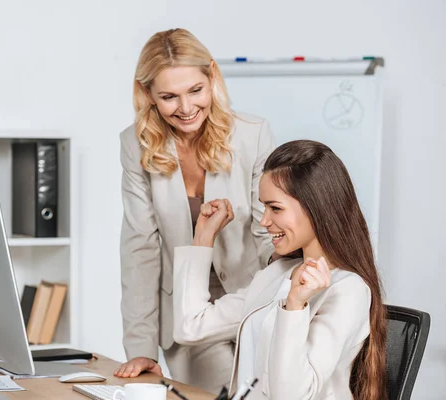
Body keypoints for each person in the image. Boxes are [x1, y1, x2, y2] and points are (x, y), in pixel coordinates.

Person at [114, 27, 276, 393]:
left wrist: (280, 304)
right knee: (226, 387)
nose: (186, 109)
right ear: (147, 95)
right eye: (169, 97)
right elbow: (140, 248)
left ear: (212, 76)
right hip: (188, 314)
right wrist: (140, 348)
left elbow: (268, 233)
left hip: (249, 302)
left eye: (195, 91)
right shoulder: (135, 145)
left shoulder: (252, 134)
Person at [173, 140, 387, 399]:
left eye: (275, 208)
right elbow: (191, 326)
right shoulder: (277, 274)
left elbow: (291, 395)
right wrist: (203, 240)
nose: (264, 220)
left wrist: (294, 306)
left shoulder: (348, 290)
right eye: (264, 206)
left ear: (315, 208)